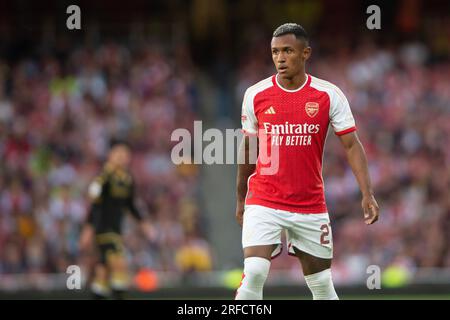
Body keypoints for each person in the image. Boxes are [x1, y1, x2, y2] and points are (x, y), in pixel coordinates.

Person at [235, 23, 380, 300]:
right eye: (275, 51)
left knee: (322, 285)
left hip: (310, 205)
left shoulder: (328, 95)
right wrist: (241, 197)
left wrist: (367, 193)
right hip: (264, 199)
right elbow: (248, 151)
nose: (280, 58)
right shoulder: (255, 95)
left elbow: (351, 144)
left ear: (305, 53)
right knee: (253, 272)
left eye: (288, 50)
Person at [79, 140, 155, 299]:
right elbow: (94, 203)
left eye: (124, 153)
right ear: (110, 155)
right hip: (103, 229)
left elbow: (130, 205)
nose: (121, 157)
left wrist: (144, 223)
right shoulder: (105, 177)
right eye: (118, 153)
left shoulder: (128, 179)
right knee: (120, 264)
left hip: (117, 229)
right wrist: (88, 228)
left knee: (103, 272)